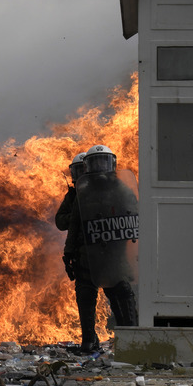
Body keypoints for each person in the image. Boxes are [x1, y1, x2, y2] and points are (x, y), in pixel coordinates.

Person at [62, 145, 139, 354]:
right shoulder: (84, 193)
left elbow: (134, 217)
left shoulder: (120, 189)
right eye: (95, 163)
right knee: (88, 296)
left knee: (121, 294)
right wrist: (68, 254)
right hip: (89, 255)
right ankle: (90, 341)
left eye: (102, 162)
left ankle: (131, 339)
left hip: (113, 254)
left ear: (112, 163)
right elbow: (74, 225)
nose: (99, 168)